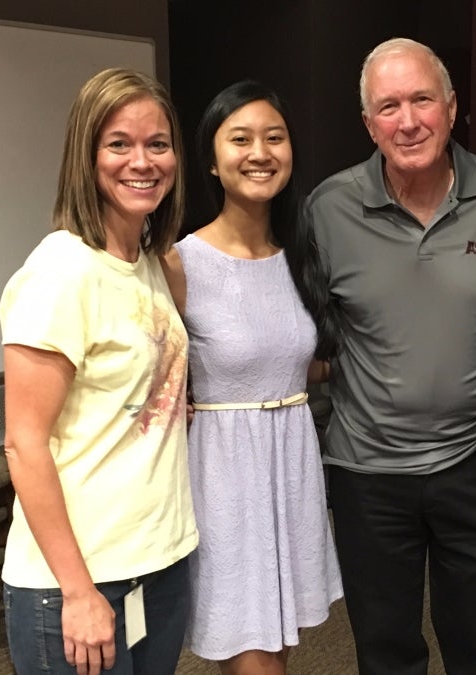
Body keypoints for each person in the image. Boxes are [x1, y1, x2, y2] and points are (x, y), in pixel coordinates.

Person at [304, 38, 476, 675]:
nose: (408, 121)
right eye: (389, 106)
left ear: (452, 108)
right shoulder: (328, 211)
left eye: (422, 100)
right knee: (386, 647)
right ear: (368, 124)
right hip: (366, 471)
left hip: (474, 462)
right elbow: (305, 334)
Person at [0, 68, 195, 675]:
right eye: (119, 144)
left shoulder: (153, 264)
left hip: (156, 560)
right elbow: (23, 443)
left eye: (157, 144)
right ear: (86, 157)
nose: (143, 161)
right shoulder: (60, 272)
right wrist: (79, 592)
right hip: (76, 579)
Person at [161, 80, 343, 675]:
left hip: (290, 460)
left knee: (279, 645)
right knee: (250, 652)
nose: (259, 152)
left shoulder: (300, 254)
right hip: (224, 472)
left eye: (275, 137)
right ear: (211, 161)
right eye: (240, 139)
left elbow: (304, 360)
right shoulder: (180, 262)